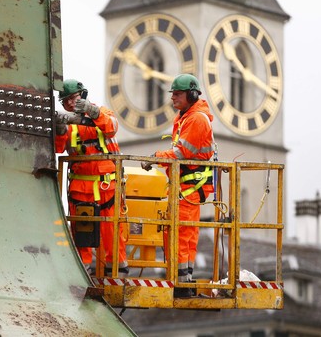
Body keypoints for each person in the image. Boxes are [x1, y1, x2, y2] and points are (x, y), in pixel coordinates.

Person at [142, 73, 215, 297]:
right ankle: (184, 281)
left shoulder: (196, 119)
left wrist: (156, 157)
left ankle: (181, 282)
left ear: (192, 95)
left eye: (178, 94)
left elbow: (183, 153)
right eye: (172, 93)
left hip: (188, 189)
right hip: (185, 188)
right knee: (186, 235)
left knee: (182, 235)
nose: (173, 97)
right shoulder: (187, 117)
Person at [55, 79, 128, 276]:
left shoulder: (102, 113)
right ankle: (83, 272)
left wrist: (92, 111)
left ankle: (117, 272)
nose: (70, 103)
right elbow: (58, 147)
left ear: (83, 95)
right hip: (80, 187)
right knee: (81, 233)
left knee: (112, 231)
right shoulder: (67, 121)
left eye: (73, 98)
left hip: (107, 186)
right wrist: (60, 129)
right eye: (65, 100)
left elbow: (111, 127)